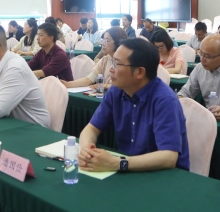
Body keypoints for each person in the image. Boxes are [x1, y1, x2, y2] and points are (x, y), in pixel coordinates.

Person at [78, 38, 189, 172]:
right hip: (129, 167)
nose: (111, 69)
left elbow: (169, 157)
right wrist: (86, 151)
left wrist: (117, 163)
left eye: (117, 64)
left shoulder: (165, 100)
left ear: (140, 72)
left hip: (163, 175)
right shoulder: (116, 91)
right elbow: (91, 129)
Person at [61, 27, 127, 90]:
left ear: (118, 42)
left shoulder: (125, 62)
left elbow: (124, 85)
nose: (103, 43)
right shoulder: (105, 60)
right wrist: (68, 84)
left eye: (107, 40)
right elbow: (88, 79)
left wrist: (104, 86)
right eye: (103, 40)